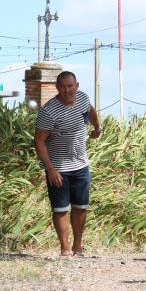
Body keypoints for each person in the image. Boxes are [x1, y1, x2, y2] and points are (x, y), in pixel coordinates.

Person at [34, 71, 101, 257]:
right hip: (58, 167)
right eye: (63, 87)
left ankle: (77, 247)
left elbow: (91, 112)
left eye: (70, 86)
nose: (67, 90)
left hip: (80, 165)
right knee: (61, 208)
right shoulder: (49, 111)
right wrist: (50, 169)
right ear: (57, 88)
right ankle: (64, 249)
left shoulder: (82, 98)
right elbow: (39, 141)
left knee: (81, 206)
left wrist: (97, 127)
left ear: (76, 86)